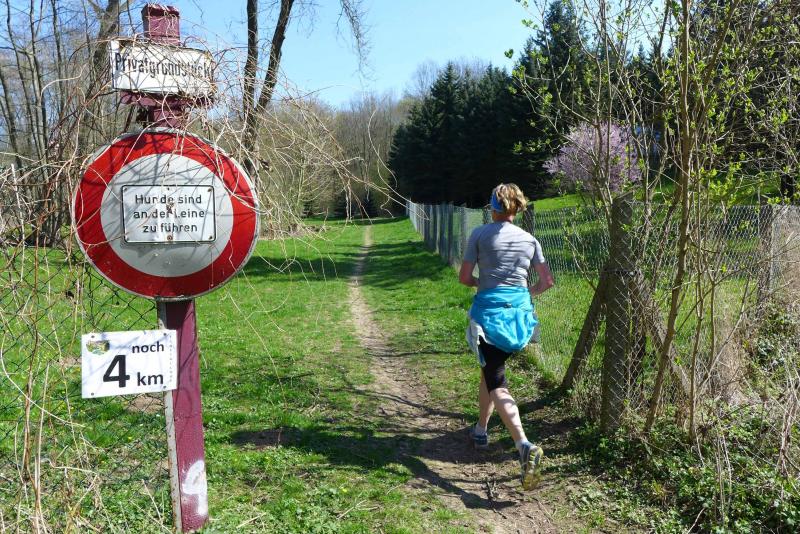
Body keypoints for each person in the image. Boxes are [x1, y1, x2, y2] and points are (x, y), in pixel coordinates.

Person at [459, 183, 555, 490]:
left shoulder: (480, 235)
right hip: (519, 319)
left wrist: (482, 285)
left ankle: (524, 445)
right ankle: (481, 430)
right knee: (490, 370)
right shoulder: (530, 239)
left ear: (492, 207)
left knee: (497, 381)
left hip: (489, 318)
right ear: (517, 207)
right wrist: (525, 295)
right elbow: (546, 281)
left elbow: (464, 277)